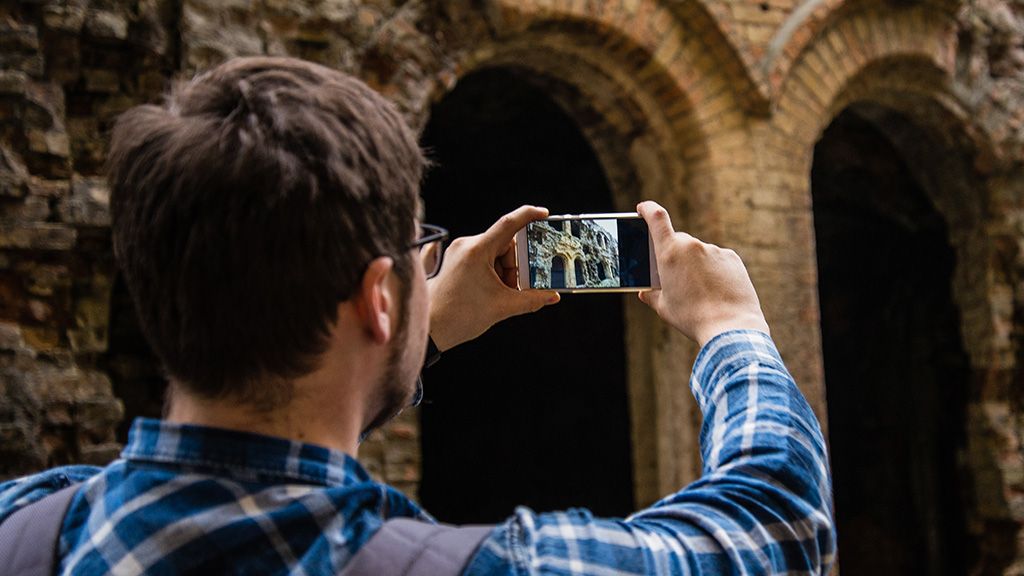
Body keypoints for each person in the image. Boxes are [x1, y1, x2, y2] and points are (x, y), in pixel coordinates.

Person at [0, 56, 835, 574]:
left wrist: (413, 327)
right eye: (419, 246)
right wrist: (733, 330)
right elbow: (775, 528)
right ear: (376, 296)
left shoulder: (27, 524)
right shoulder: (488, 568)